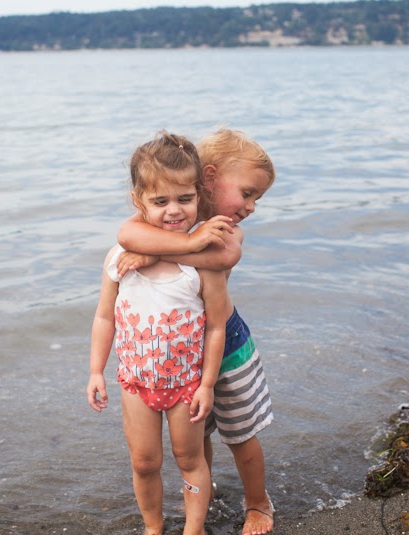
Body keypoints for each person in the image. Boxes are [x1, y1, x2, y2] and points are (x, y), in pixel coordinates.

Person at [115, 128, 276, 535]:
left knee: (240, 433)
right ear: (210, 177)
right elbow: (125, 235)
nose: (251, 207)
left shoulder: (222, 228)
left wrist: (156, 252)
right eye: (247, 193)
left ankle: (258, 503)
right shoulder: (172, 211)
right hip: (180, 351)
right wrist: (174, 244)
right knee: (196, 433)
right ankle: (201, 500)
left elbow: (224, 257)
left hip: (227, 343)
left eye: (257, 199)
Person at [86, 131, 233, 535]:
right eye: (160, 201)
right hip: (136, 382)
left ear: (199, 196)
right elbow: (104, 317)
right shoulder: (120, 259)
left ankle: (193, 529)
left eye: (184, 199)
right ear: (139, 200)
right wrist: (96, 370)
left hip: (186, 384)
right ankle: (153, 526)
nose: (174, 210)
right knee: (144, 462)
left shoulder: (202, 263)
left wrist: (207, 384)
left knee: (190, 459)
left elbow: (216, 327)